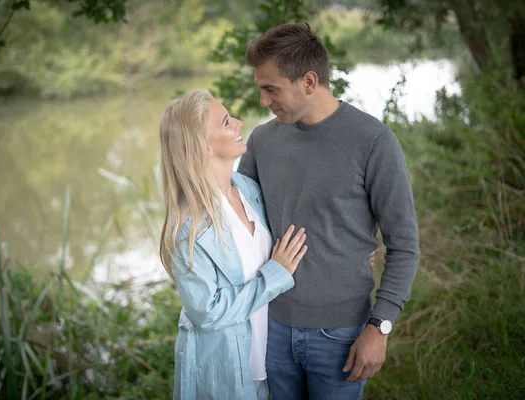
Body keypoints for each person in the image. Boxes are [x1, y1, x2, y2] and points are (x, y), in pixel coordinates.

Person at [237, 23, 421, 400]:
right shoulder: (261, 142)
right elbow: (237, 225)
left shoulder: (373, 141)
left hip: (341, 335)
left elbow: (404, 245)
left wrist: (380, 327)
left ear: (308, 80)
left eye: (271, 89)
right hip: (269, 327)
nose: (263, 101)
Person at [158, 89, 375, 399]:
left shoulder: (249, 190)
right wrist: (274, 275)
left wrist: (354, 250)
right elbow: (208, 312)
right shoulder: (186, 229)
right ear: (202, 147)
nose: (239, 123)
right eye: (226, 122)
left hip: (267, 360)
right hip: (224, 369)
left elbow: (301, 215)